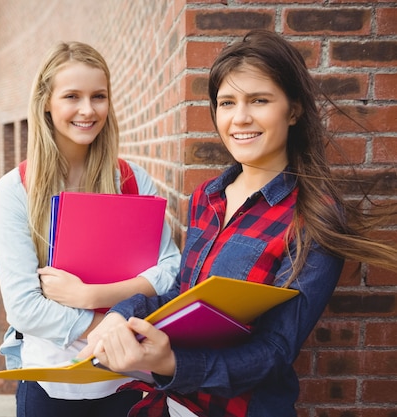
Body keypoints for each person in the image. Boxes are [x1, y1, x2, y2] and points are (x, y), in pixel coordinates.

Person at [80, 30, 397, 417]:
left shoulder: (313, 216)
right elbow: (182, 294)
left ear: (293, 110)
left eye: (259, 100)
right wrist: (121, 313)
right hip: (175, 406)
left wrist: (173, 365)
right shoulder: (206, 198)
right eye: (227, 102)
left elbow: (275, 352)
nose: (240, 117)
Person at [0, 41, 181, 417]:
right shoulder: (15, 191)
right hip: (51, 386)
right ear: (47, 102)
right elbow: (24, 308)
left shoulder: (133, 180)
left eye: (98, 96)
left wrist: (90, 295)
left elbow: (171, 271)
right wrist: (112, 330)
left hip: (127, 383)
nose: (87, 110)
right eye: (71, 96)